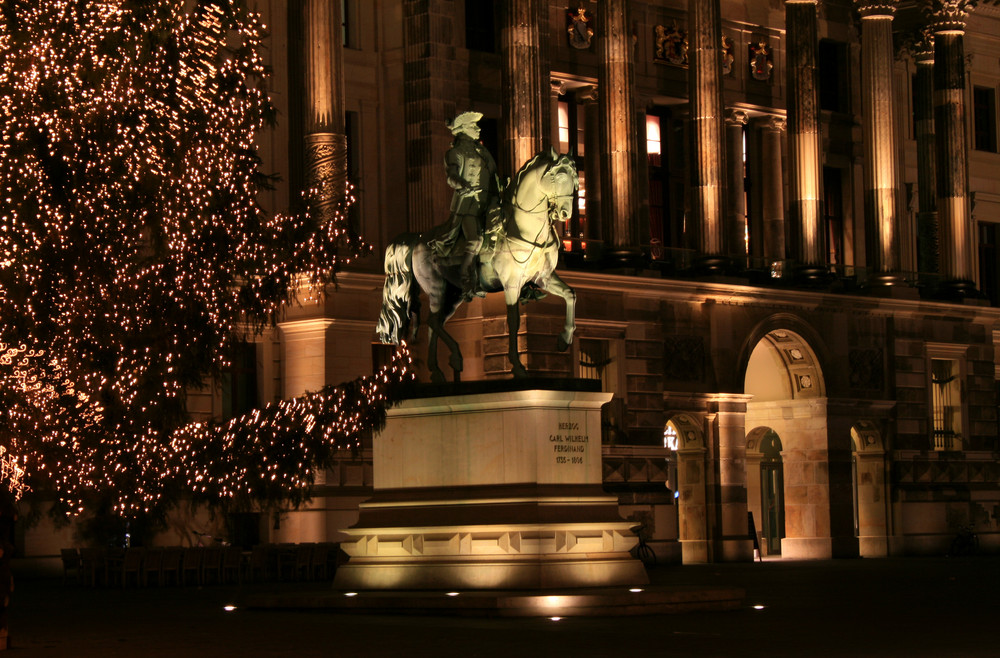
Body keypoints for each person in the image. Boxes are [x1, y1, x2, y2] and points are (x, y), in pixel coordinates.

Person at [429, 111, 500, 301]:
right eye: (473, 126)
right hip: (468, 204)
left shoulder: (483, 152)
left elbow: (493, 174)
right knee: (475, 241)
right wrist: (461, 184)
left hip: (489, 201)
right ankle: (468, 282)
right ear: (463, 130)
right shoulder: (455, 153)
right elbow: (451, 175)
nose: (477, 129)